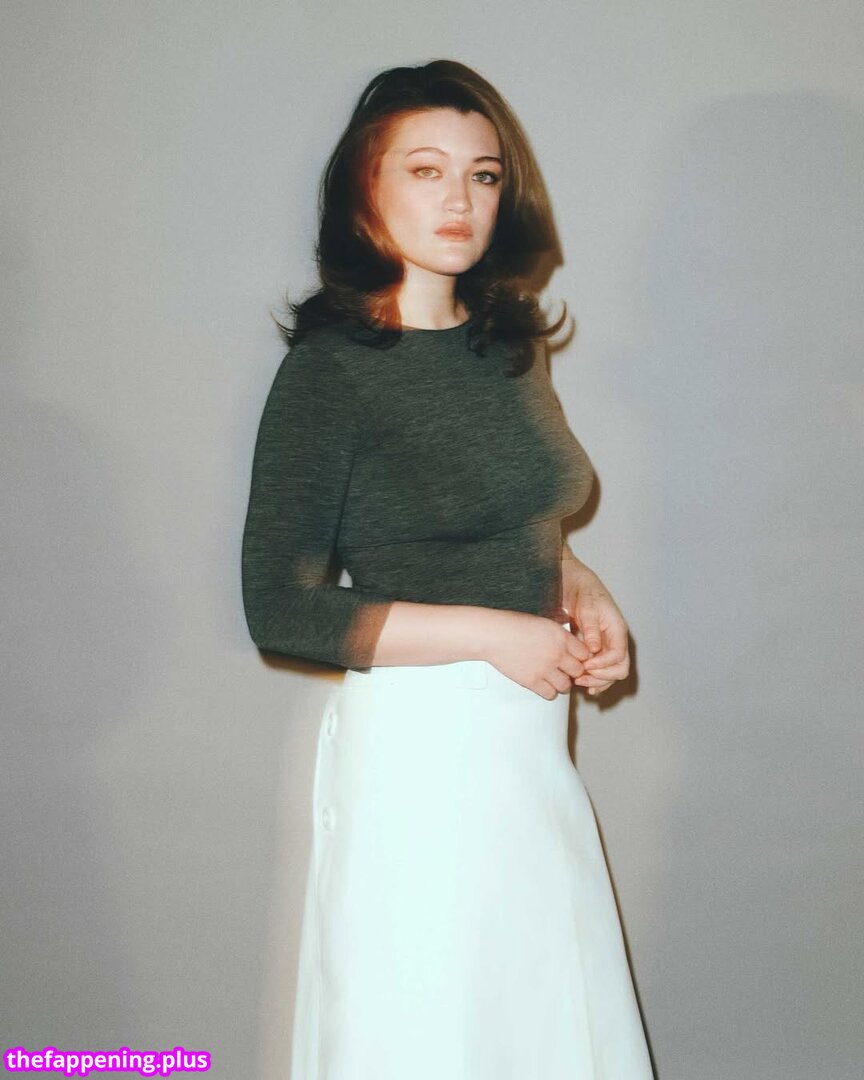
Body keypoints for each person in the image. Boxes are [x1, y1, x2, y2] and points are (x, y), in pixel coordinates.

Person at [241, 60, 653, 1080]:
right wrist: (493, 634)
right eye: (425, 170)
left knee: (541, 1029)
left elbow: (512, 517)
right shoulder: (331, 372)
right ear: (364, 190)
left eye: (483, 174)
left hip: (528, 748)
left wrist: (577, 584)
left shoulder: (506, 345)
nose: (459, 199)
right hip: (419, 756)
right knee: (429, 1035)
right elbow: (279, 607)